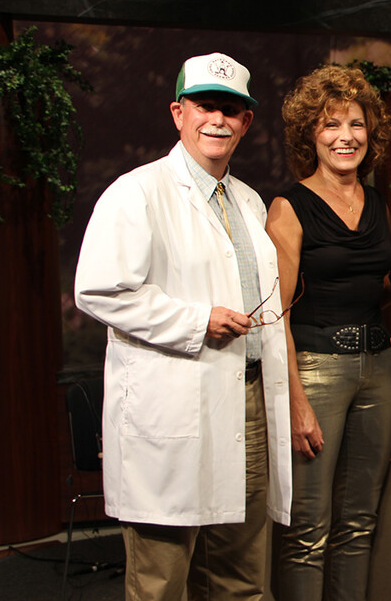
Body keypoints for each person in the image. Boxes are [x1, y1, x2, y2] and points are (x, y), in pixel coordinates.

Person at [74, 52, 291, 599]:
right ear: (178, 113)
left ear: (246, 122)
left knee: (241, 575)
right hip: (175, 406)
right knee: (161, 580)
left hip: (247, 404)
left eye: (232, 110)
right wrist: (198, 321)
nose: (217, 119)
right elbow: (98, 289)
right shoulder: (137, 193)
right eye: (205, 106)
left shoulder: (245, 199)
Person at [267, 64, 391, 601]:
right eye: (330, 125)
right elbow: (276, 316)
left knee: (359, 524)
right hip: (317, 371)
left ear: (371, 134)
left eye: (356, 124)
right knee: (307, 531)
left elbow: (386, 283)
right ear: (310, 135)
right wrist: (295, 400)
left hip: (379, 369)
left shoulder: (378, 203)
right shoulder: (288, 208)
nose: (346, 136)